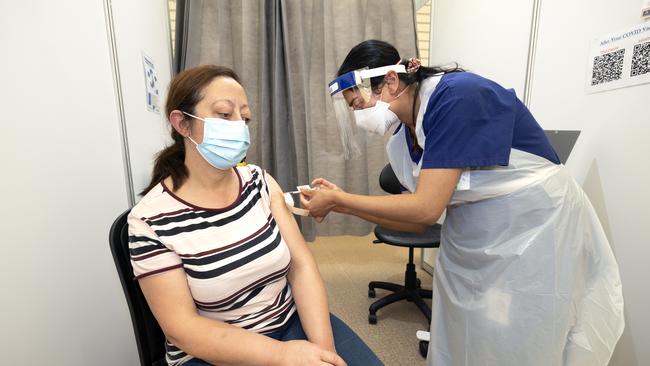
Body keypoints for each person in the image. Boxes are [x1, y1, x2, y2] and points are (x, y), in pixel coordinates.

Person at [300, 40, 624, 365]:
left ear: (391, 81)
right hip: (477, 229)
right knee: (467, 326)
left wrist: (341, 200)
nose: (360, 117)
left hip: (535, 221)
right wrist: (341, 202)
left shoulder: (454, 98)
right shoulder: (402, 141)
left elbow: (426, 207)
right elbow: (417, 222)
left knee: (523, 328)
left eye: (359, 105)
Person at [128, 65, 382, 366]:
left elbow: (301, 267)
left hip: (290, 322)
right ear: (182, 123)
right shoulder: (150, 220)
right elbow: (183, 328)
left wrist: (323, 351)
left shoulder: (259, 181)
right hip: (212, 352)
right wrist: (283, 356)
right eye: (224, 114)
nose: (239, 126)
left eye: (244, 117)